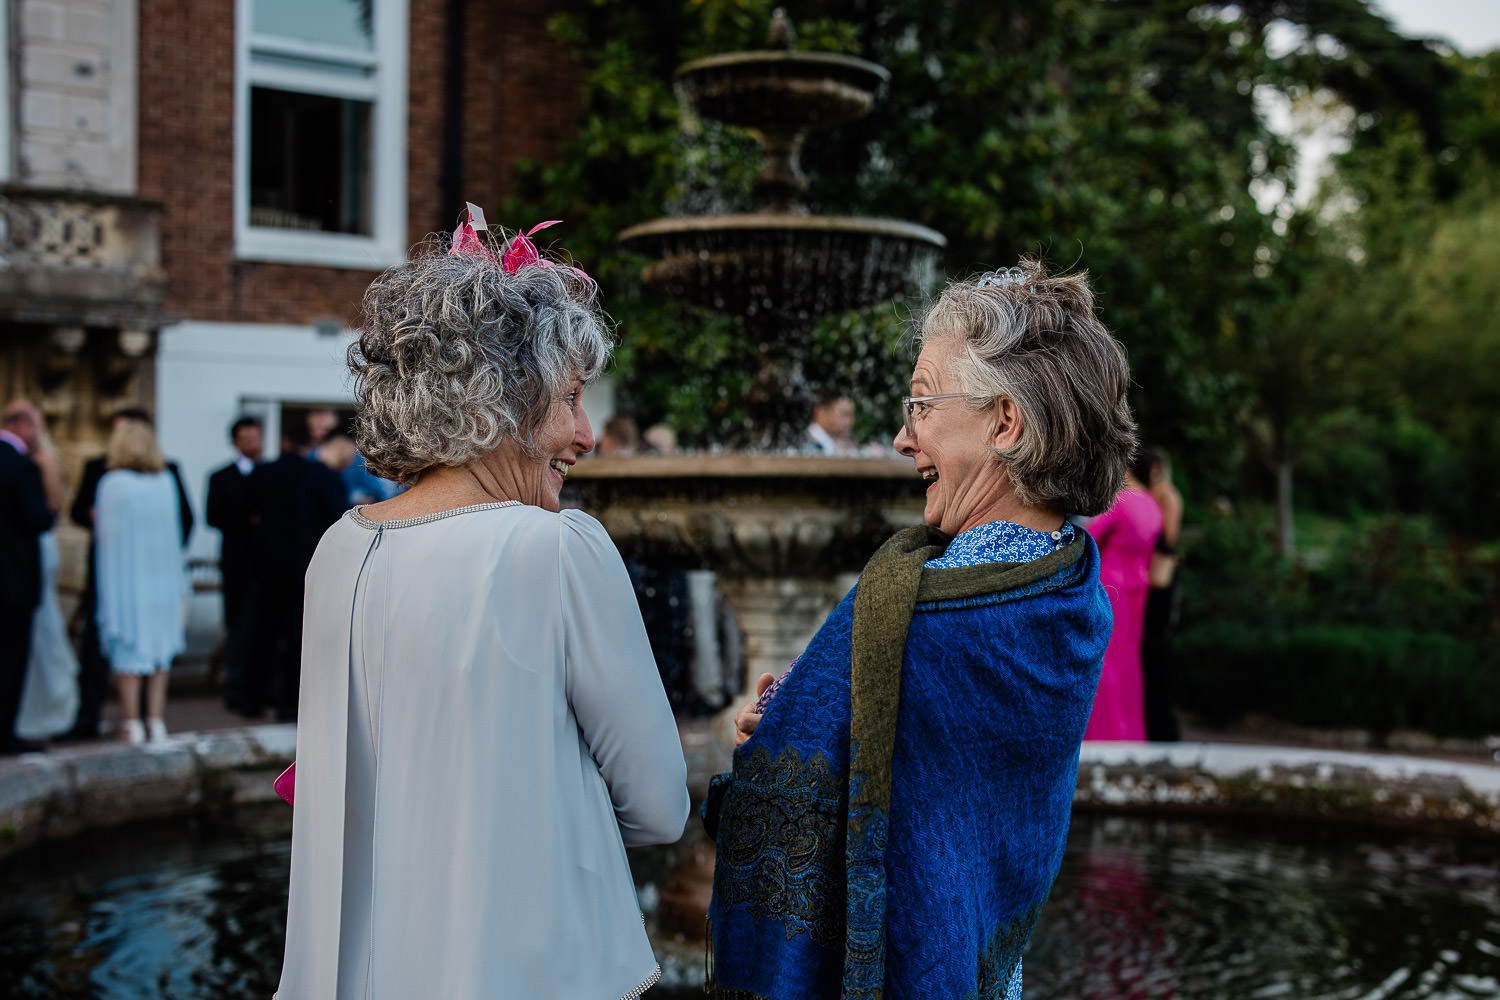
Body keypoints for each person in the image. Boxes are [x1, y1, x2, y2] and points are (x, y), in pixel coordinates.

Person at [276, 213, 689, 999]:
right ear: (505, 399)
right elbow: (660, 807)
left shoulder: (337, 549)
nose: (586, 433)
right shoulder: (557, 548)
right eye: (570, 399)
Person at [706, 260, 1135, 999]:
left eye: (922, 406)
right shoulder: (1071, 589)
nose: (903, 438)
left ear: (1004, 423)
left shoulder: (917, 618)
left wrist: (769, 742)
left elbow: (774, 801)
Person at [68, 407, 193, 740]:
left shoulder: (113, 484)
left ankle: (131, 723)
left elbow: (107, 539)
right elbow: (178, 530)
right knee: (158, 652)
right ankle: (156, 720)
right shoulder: (165, 480)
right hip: (162, 580)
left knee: (129, 651)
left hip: (127, 580)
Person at [245, 415, 348, 722]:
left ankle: (254, 699)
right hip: (305, 565)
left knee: (262, 633)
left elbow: (248, 516)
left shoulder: (263, 473)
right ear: (312, 443)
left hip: (267, 564)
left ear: (284, 441)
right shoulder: (320, 474)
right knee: (297, 636)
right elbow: (338, 516)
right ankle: (291, 703)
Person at [9, 403, 81, 742]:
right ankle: (29, 713)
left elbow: (55, 508)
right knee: (31, 634)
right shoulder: (24, 465)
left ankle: (37, 711)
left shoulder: (42, 462)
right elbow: (43, 514)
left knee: (39, 630)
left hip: (38, 551)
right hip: (25, 553)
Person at [1081, 450, 1163, 742]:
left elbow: (1089, 539)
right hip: (1137, 590)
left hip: (1111, 587)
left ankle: (1106, 734)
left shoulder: (1122, 501)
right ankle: (1129, 733)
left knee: (1107, 665)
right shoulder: (1152, 505)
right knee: (1128, 665)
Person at [0, 401, 56, 755]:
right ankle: (4, 733)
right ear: (23, 426)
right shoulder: (23, 467)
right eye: (36, 426)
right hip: (12, 582)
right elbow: (39, 519)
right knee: (10, 659)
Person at [206, 415, 263, 716]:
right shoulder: (220, 477)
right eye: (248, 438)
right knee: (237, 626)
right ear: (235, 442)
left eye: (257, 437)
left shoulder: (270, 473)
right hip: (237, 563)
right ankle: (235, 688)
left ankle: (258, 689)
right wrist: (247, 521)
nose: (254, 443)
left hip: (265, 565)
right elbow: (212, 516)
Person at [1140, 445, 1183, 741]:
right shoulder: (1161, 494)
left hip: (1161, 574)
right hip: (1154, 573)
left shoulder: (1164, 494)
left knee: (1156, 640)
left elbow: (1166, 538)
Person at [803, 388, 855, 454]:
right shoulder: (804, 447)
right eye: (844, 414)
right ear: (821, 412)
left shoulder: (837, 445)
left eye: (851, 415)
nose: (850, 421)